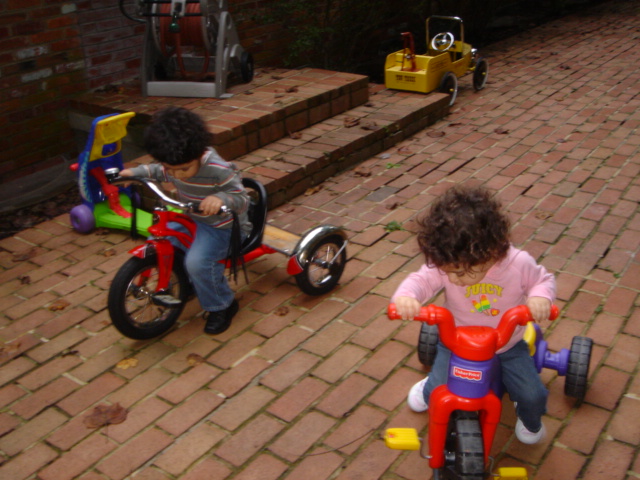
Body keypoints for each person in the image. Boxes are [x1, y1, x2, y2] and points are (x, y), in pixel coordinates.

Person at [392, 184, 555, 445]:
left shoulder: (518, 263)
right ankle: (430, 384)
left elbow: (543, 280)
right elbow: (422, 279)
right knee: (437, 390)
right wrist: (407, 297)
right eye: (448, 272)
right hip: (456, 344)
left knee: (532, 395)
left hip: (507, 346)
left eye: (460, 273)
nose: (453, 279)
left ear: (489, 253)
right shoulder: (451, 259)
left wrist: (539, 298)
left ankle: (530, 420)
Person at [120, 106, 252, 335]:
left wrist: (220, 199)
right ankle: (188, 282)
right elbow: (158, 171)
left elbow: (241, 198)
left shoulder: (218, 169)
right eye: (170, 169)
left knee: (198, 262)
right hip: (193, 217)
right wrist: (134, 173)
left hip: (223, 226)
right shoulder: (175, 162)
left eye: (183, 169)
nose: (176, 175)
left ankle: (223, 305)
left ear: (200, 155)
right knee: (161, 239)